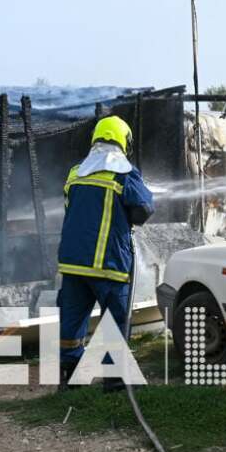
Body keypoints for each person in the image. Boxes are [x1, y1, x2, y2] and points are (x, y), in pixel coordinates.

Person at [56, 115, 154, 387]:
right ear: (124, 142)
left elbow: (72, 209)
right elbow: (144, 208)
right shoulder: (124, 173)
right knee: (115, 321)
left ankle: (69, 377)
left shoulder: (76, 173)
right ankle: (113, 380)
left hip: (74, 263)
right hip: (109, 264)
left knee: (72, 322)